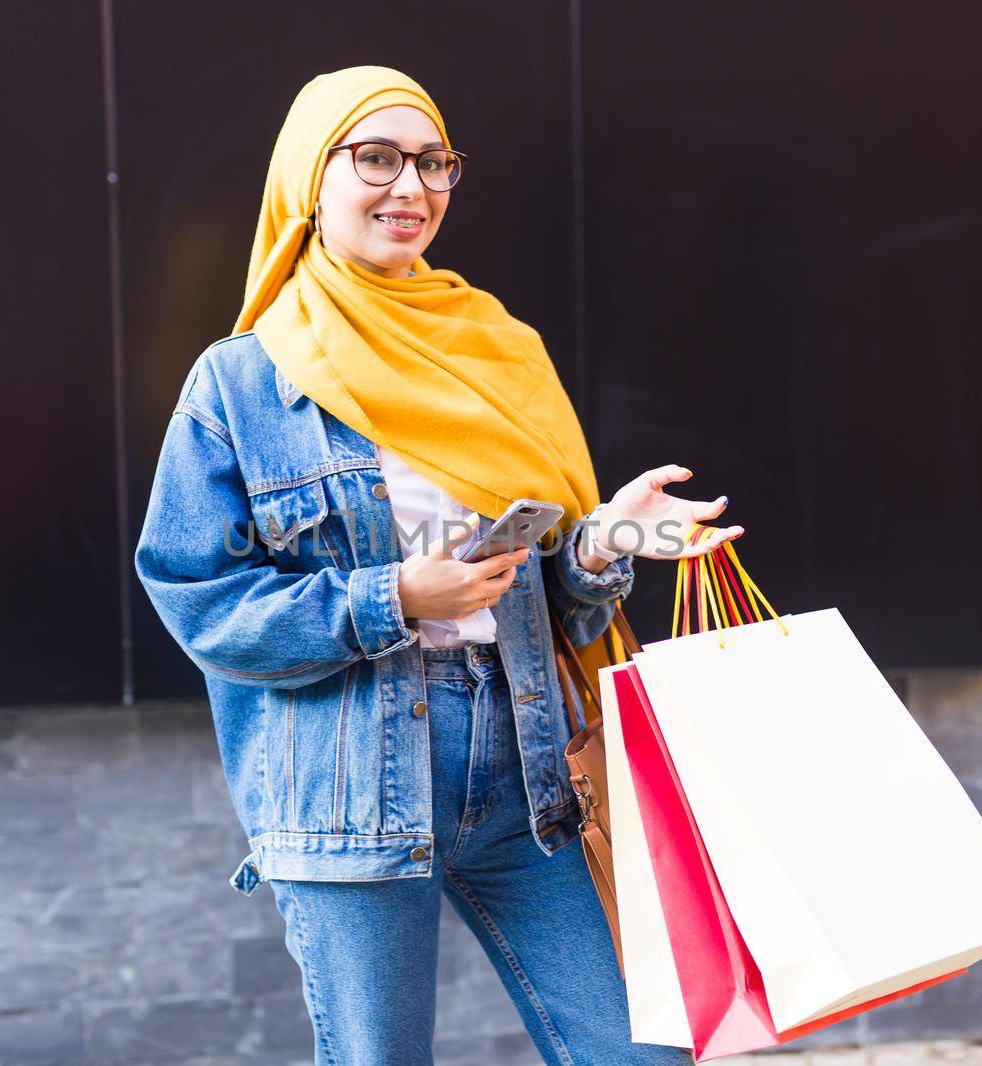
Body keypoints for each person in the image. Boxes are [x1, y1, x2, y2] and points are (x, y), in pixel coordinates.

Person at [134, 65, 739, 1066]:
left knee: (641, 1053)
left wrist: (604, 541)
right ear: (308, 176)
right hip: (349, 782)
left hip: (526, 772)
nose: (408, 188)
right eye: (375, 157)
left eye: (432, 163)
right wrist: (394, 598)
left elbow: (552, 600)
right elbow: (198, 597)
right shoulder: (245, 382)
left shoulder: (498, 349)